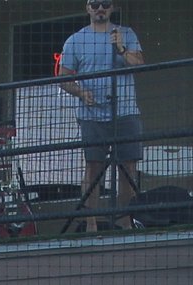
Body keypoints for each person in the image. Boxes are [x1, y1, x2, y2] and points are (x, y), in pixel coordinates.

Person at [58, 0, 146, 229]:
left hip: (126, 111)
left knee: (128, 167)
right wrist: (80, 92)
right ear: (87, 8)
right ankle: (91, 223)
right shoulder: (76, 40)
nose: (100, 8)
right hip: (92, 114)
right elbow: (63, 76)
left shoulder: (126, 33)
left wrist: (121, 48)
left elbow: (139, 64)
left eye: (104, 4)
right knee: (93, 166)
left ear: (112, 7)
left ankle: (126, 221)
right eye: (95, 3)